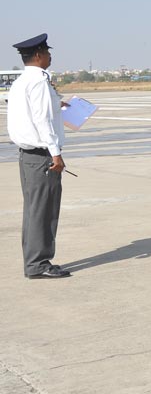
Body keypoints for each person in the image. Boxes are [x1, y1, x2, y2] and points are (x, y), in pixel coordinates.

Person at [7, 33, 71, 279]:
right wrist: (55, 154)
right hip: (41, 156)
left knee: (35, 210)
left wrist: (58, 105)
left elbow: (35, 113)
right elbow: (42, 121)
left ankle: (35, 261)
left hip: (28, 156)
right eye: (47, 51)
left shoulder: (22, 81)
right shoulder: (39, 82)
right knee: (43, 211)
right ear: (38, 55)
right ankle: (38, 264)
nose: (50, 55)